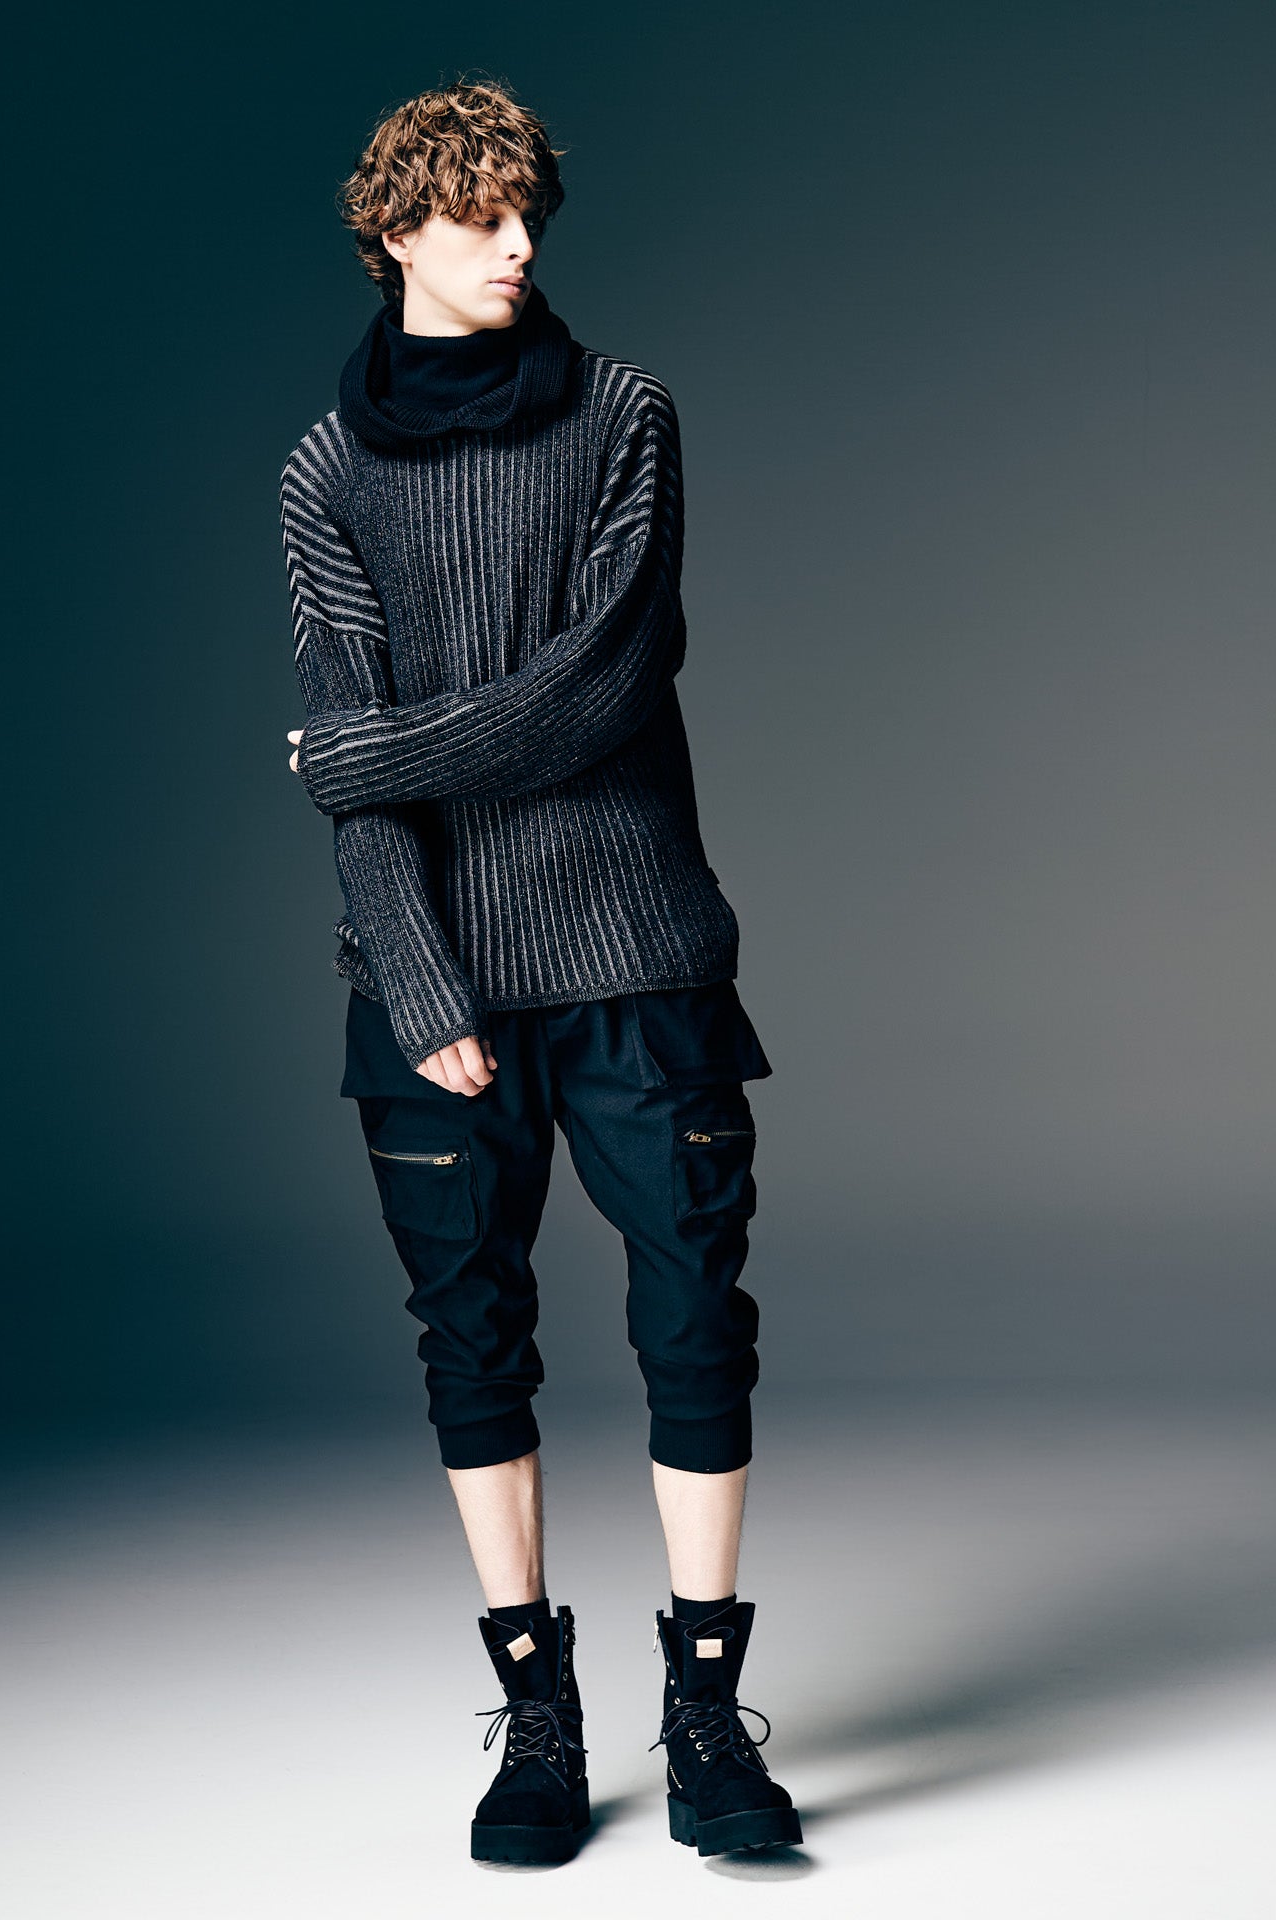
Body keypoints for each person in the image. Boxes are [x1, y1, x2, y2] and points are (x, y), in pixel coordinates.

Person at [278, 76, 801, 1865]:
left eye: (529, 214)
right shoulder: (326, 472)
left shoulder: (625, 414)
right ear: (396, 231)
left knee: (696, 1321)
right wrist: (424, 995)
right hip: (433, 983)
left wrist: (364, 753)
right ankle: (540, 1713)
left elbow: (606, 684)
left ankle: (708, 1712)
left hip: (638, 949)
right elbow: (365, 792)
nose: (518, 244)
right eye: (480, 215)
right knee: (472, 1345)